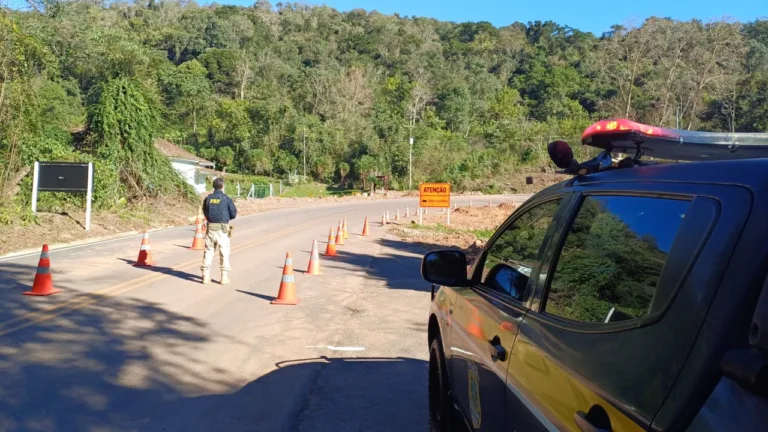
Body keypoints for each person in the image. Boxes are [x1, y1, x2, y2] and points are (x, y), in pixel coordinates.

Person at [201, 177, 237, 285]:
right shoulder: (226, 199)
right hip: (222, 229)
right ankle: (224, 277)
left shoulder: (208, 198)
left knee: (208, 251)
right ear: (223, 186)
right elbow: (233, 213)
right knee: (224, 252)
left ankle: (205, 277)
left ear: (213, 187)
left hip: (211, 228)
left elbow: (205, 211)